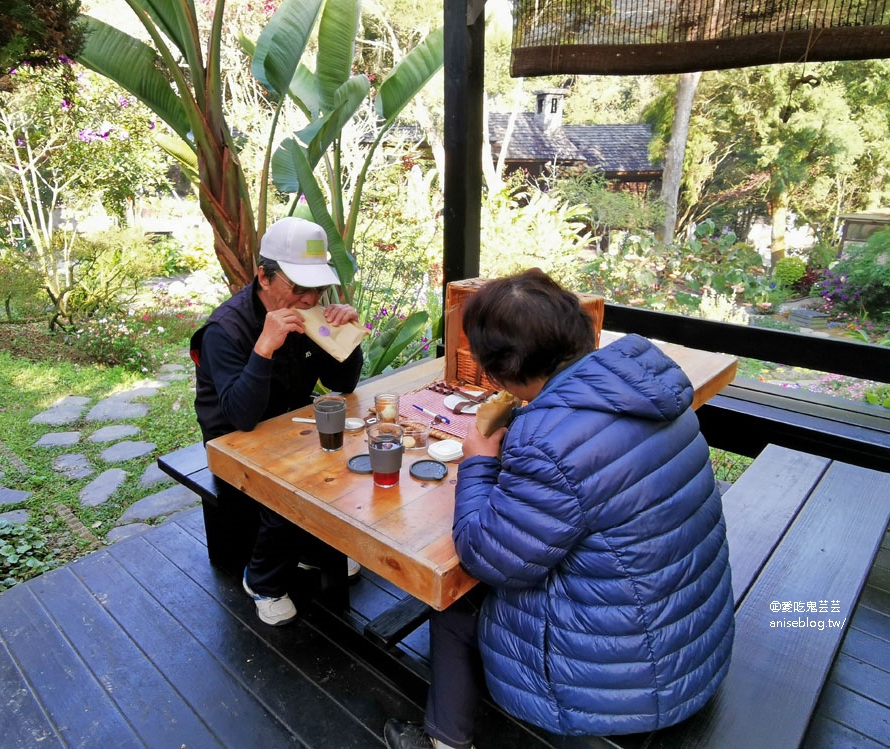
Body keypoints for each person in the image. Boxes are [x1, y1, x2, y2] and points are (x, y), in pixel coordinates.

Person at [384, 269, 735, 749]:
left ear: (504, 369)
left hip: (621, 680)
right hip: (689, 639)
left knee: (455, 601)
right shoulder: (648, 387)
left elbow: (487, 556)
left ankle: (444, 742)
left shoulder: (549, 442)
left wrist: (480, 462)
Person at [192, 216, 364, 626]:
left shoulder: (309, 315)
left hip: (290, 424)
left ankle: (312, 548)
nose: (309, 300)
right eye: (299, 288)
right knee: (293, 482)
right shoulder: (226, 329)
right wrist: (265, 347)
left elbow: (342, 382)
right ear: (264, 277)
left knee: (348, 453)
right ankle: (263, 580)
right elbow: (241, 416)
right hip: (232, 438)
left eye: (318, 289)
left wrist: (348, 337)